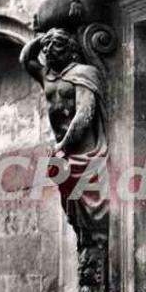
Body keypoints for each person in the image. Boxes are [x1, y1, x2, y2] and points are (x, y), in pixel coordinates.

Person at [20, 28, 108, 234]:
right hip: (63, 153)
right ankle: (86, 240)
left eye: (57, 45)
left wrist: (62, 146)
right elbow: (26, 59)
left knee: (92, 204)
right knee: (72, 204)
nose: (49, 50)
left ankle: (96, 240)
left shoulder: (84, 73)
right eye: (47, 47)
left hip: (84, 150)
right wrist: (43, 39)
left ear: (71, 50)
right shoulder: (47, 76)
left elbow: (84, 114)